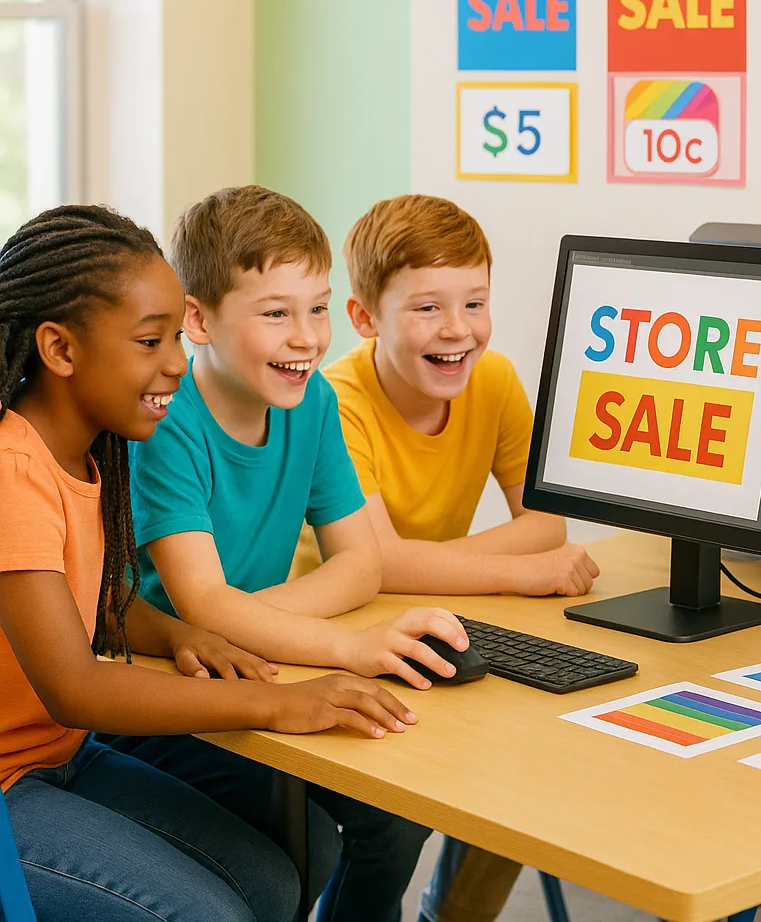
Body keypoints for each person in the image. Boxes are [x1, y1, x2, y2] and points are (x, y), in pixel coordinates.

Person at [0, 204, 417, 922]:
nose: (173, 364)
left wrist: (177, 634)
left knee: (281, 875)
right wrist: (280, 702)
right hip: (12, 782)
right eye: (148, 341)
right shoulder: (13, 468)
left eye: (172, 338)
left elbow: (98, 600)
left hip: (60, 758)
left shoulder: (89, 449)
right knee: (207, 913)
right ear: (60, 350)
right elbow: (75, 686)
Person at [118, 185, 468, 922]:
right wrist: (344, 644)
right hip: (163, 692)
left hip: (256, 657)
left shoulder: (312, 403)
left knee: (397, 814)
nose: (308, 337)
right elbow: (198, 606)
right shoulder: (166, 423)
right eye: (276, 313)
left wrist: (241, 618)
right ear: (199, 319)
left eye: (317, 307)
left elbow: (361, 563)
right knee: (306, 841)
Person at [289, 194, 600, 922]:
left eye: (475, 302)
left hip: (422, 622)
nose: (458, 329)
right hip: (323, 639)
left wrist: (424, 566)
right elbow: (374, 564)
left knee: (526, 766)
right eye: (427, 308)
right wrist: (515, 571)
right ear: (365, 319)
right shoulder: (334, 399)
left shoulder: (492, 381)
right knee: (394, 828)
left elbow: (548, 520)